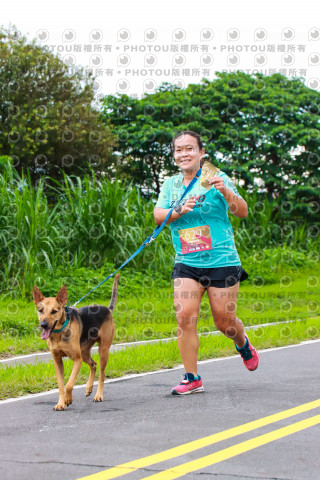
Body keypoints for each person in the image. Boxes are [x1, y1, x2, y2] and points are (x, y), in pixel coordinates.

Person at [153, 131, 259, 395]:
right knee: (184, 318)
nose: (183, 154)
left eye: (189, 149)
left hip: (221, 260)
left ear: (201, 153)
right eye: (178, 150)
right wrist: (178, 211)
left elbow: (242, 212)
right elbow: (158, 216)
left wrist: (225, 191)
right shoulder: (171, 184)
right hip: (186, 262)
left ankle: (242, 343)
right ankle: (192, 378)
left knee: (225, 322)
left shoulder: (216, 177)